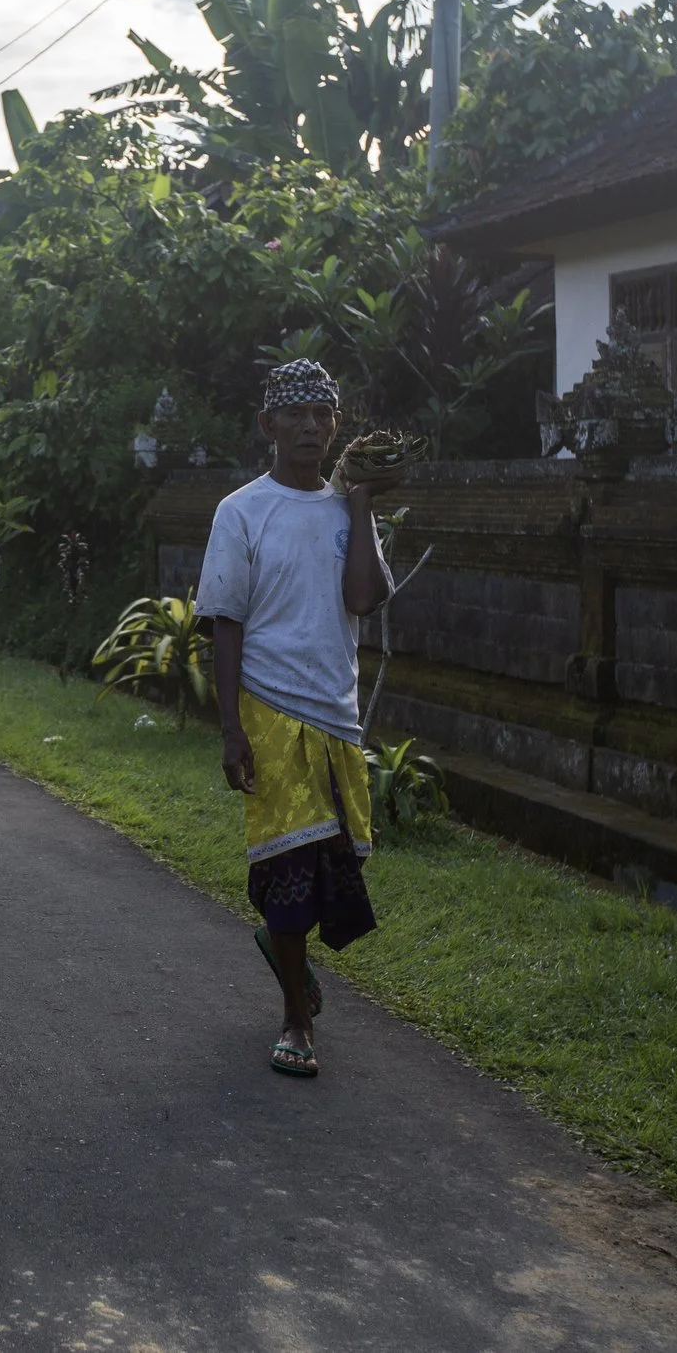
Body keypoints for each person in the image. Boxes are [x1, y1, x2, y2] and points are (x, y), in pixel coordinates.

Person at [195, 357, 389, 1078]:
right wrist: (231, 730)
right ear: (267, 424)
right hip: (269, 710)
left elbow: (365, 600)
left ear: (336, 425)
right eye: (296, 413)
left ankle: (288, 958)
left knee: (334, 867)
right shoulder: (241, 510)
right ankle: (296, 1021)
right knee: (287, 865)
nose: (311, 425)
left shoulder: (347, 512)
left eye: (323, 414)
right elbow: (226, 623)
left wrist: (363, 503)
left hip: (336, 716)